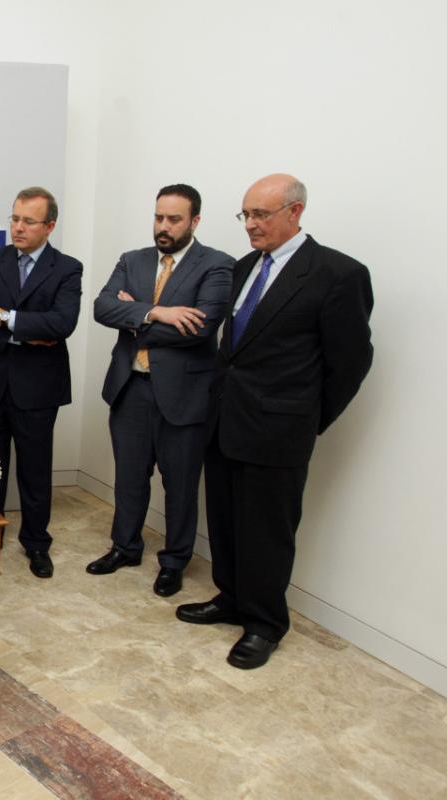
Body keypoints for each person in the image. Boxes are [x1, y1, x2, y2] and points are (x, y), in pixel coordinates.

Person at [177, 174, 373, 669]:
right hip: (225, 421)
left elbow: (350, 363)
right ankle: (231, 598)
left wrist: (307, 419)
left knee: (267, 531)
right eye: (246, 214)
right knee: (225, 519)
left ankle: (264, 623)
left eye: (261, 214)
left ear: (295, 212)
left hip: (280, 431)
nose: (250, 224)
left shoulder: (337, 274)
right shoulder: (245, 267)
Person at [90, 184, 233, 596]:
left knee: (181, 486)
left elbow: (199, 329)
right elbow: (102, 308)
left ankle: (174, 562)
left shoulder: (218, 265)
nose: (163, 227)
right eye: (158, 217)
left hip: (184, 395)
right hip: (130, 387)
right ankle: (125, 547)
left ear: (195, 221)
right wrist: (159, 312)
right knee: (129, 477)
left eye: (174, 219)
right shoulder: (132, 260)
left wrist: (132, 316)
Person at [0, 187, 81, 579]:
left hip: (38, 388)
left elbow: (62, 323)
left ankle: (36, 543)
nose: (18, 227)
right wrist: (30, 331)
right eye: (14, 218)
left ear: (49, 226)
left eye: (28, 221)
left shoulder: (67, 268)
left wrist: (5, 318)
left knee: (35, 471)